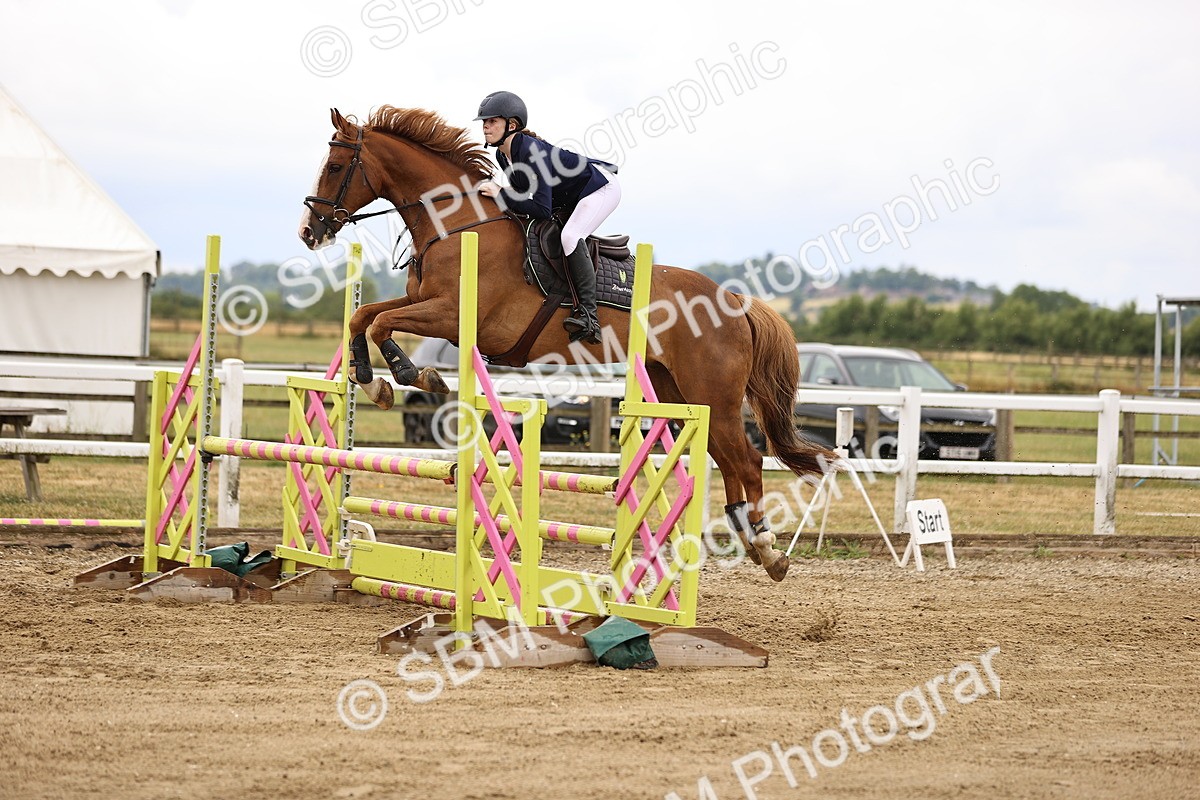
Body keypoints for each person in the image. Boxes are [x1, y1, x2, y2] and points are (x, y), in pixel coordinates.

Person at [474, 91, 620, 344]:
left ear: (512, 125)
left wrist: (500, 192)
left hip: (600, 188)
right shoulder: (502, 155)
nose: (486, 126)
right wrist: (500, 193)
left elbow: (541, 208)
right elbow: (523, 195)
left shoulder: (530, 151)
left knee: (571, 236)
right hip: (570, 196)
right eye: (484, 122)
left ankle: (589, 316)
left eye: (492, 121)